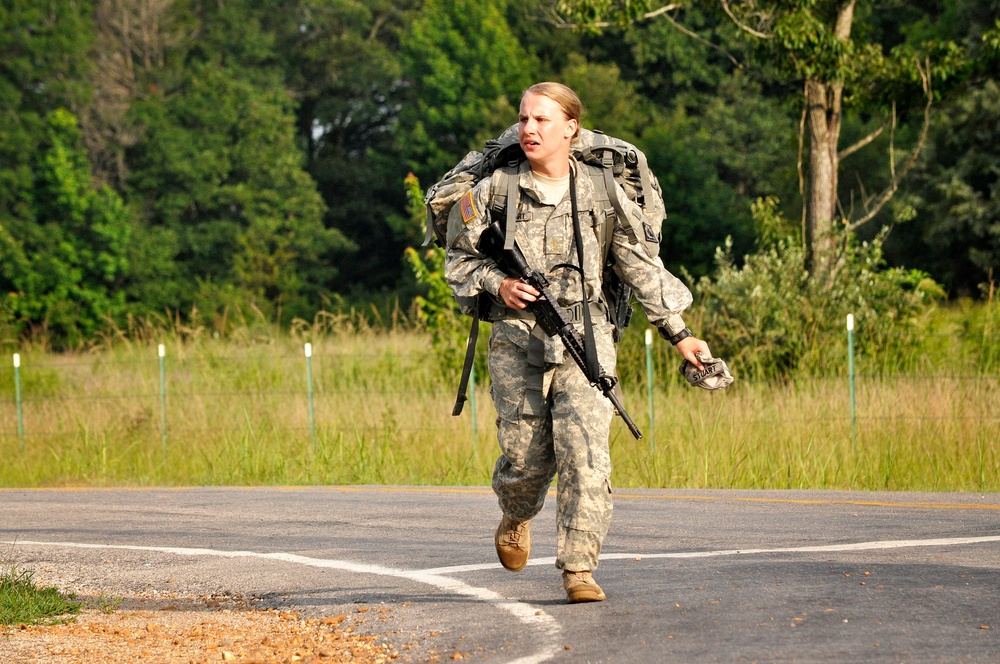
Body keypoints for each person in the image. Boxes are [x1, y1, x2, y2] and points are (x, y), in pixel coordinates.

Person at [445, 82, 712, 603]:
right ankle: (517, 514)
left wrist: (680, 333)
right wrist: (496, 284)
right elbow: (458, 259)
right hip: (516, 340)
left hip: (586, 339)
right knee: (525, 460)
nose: (529, 129)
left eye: (542, 120)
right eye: (523, 119)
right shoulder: (495, 190)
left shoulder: (603, 191)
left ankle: (578, 568)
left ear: (571, 128)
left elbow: (638, 265)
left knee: (587, 456)